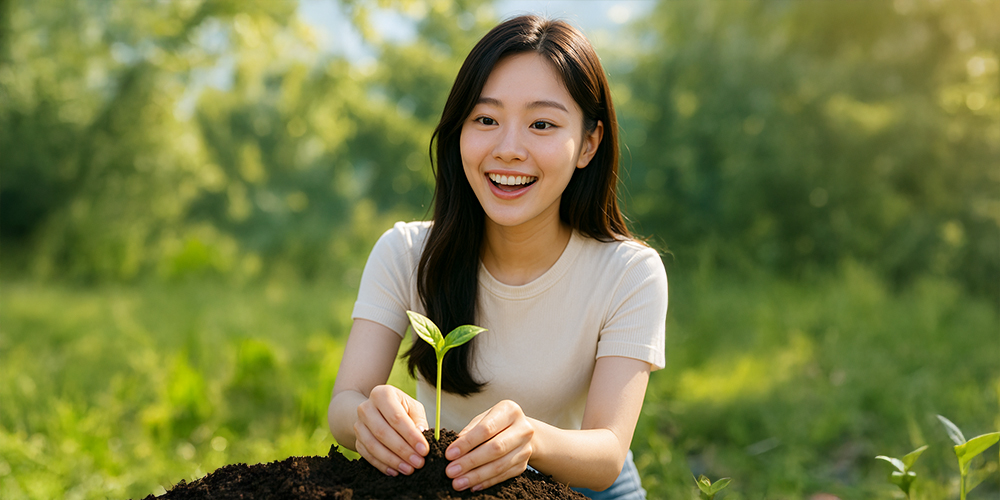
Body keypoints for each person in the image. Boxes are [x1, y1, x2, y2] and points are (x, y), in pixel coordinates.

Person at [327, 15, 667, 500]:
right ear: (459, 131)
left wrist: (531, 439)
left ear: (588, 144)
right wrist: (368, 419)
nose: (508, 150)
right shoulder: (405, 253)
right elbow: (344, 402)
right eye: (486, 120)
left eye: (541, 124)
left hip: (584, 490)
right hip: (449, 485)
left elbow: (607, 454)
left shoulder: (629, 273)